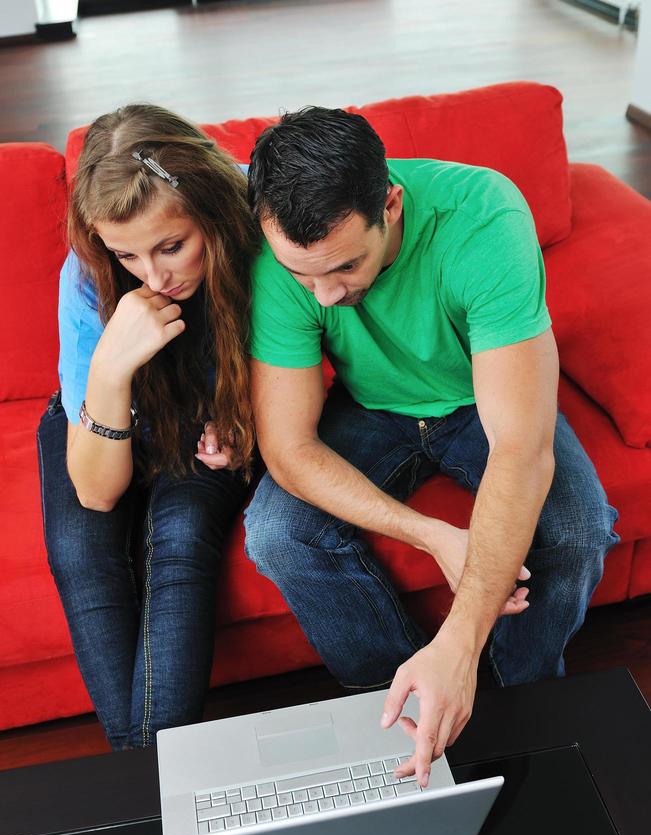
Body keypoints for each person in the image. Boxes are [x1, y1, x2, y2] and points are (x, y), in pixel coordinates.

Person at [243, 107, 620, 787]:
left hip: (481, 398)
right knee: (276, 532)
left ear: (390, 204)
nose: (326, 295)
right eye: (304, 276)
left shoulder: (482, 217)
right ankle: (393, 706)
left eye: (346, 266)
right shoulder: (279, 254)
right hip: (369, 408)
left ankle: (514, 704)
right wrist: (430, 536)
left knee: (573, 529)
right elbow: (287, 447)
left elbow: (518, 449)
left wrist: (460, 640)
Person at [38, 105, 258, 750]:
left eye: (172, 246)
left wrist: (250, 425)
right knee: (81, 552)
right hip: (105, 415)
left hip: (211, 416)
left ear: (214, 211)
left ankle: (142, 780)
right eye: (126, 254)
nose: (154, 278)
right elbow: (98, 492)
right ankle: (153, 780)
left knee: (183, 537)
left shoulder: (261, 216)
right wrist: (109, 368)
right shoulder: (84, 278)